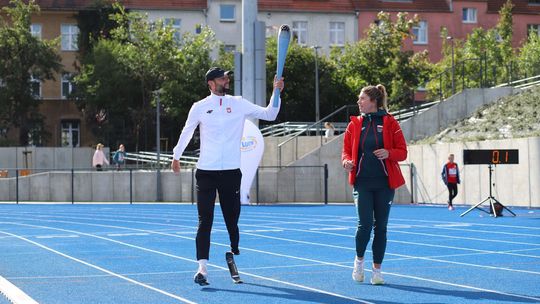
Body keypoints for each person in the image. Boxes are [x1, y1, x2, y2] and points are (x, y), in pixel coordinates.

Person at [171, 67, 285, 285]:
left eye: (227, 76)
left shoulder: (239, 102)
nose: (227, 79)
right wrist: (176, 156)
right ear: (211, 84)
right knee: (205, 221)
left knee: (232, 219)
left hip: (231, 173)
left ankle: (232, 250)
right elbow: (187, 131)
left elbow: (270, 114)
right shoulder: (200, 107)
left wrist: (276, 92)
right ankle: (202, 268)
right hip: (206, 172)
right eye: (222, 77)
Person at [341, 84, 408, 285]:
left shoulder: (390, 122)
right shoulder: (354, 124)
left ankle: (377, 271)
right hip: (362, 182)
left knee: (381, 227)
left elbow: (402, 152)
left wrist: (389, 153)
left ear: (373, 101)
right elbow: (345, 151)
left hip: (385, 184)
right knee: (365, 225)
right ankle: (359, 262)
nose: (358, 102)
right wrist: (346, 162)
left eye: (362, 98)